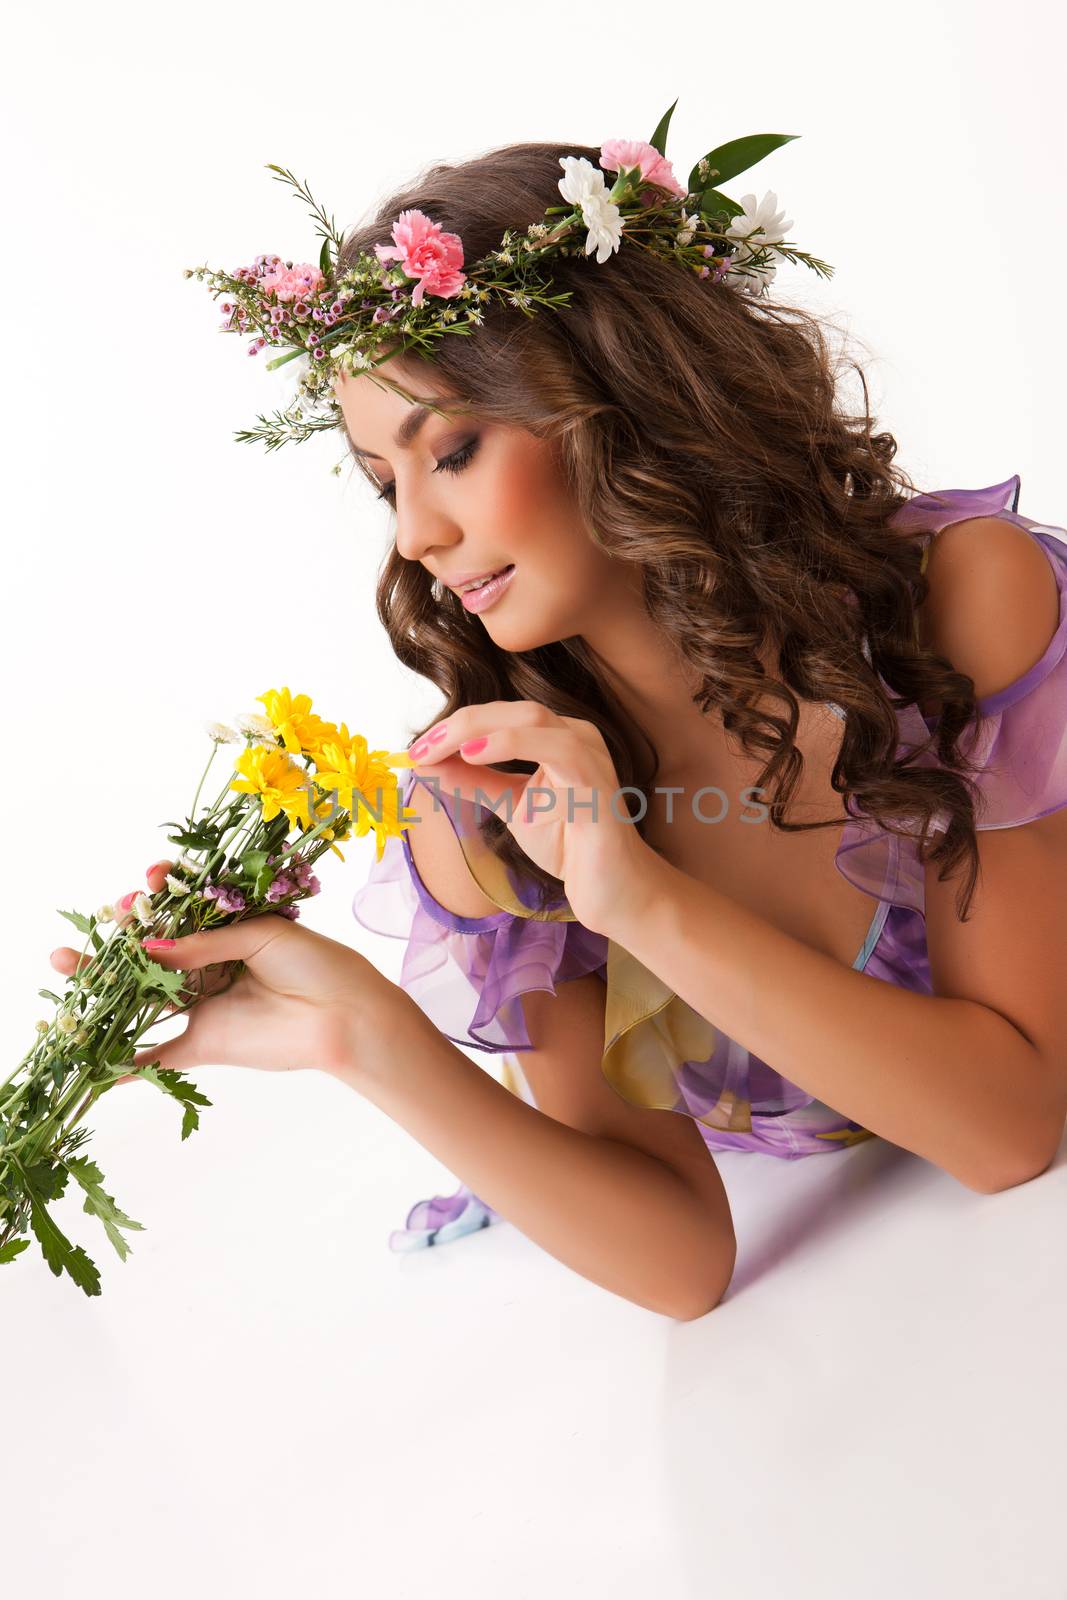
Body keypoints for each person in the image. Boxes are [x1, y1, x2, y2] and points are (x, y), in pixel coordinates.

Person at [49, 132, 1067, 1320]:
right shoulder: (496, 809)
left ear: (623, 399)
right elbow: (679, 1267)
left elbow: (1006, 1134)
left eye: (455, 452)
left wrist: (641, 899)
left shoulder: (948, 609)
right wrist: (363, 1036)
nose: (414, 537)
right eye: (386, 485)